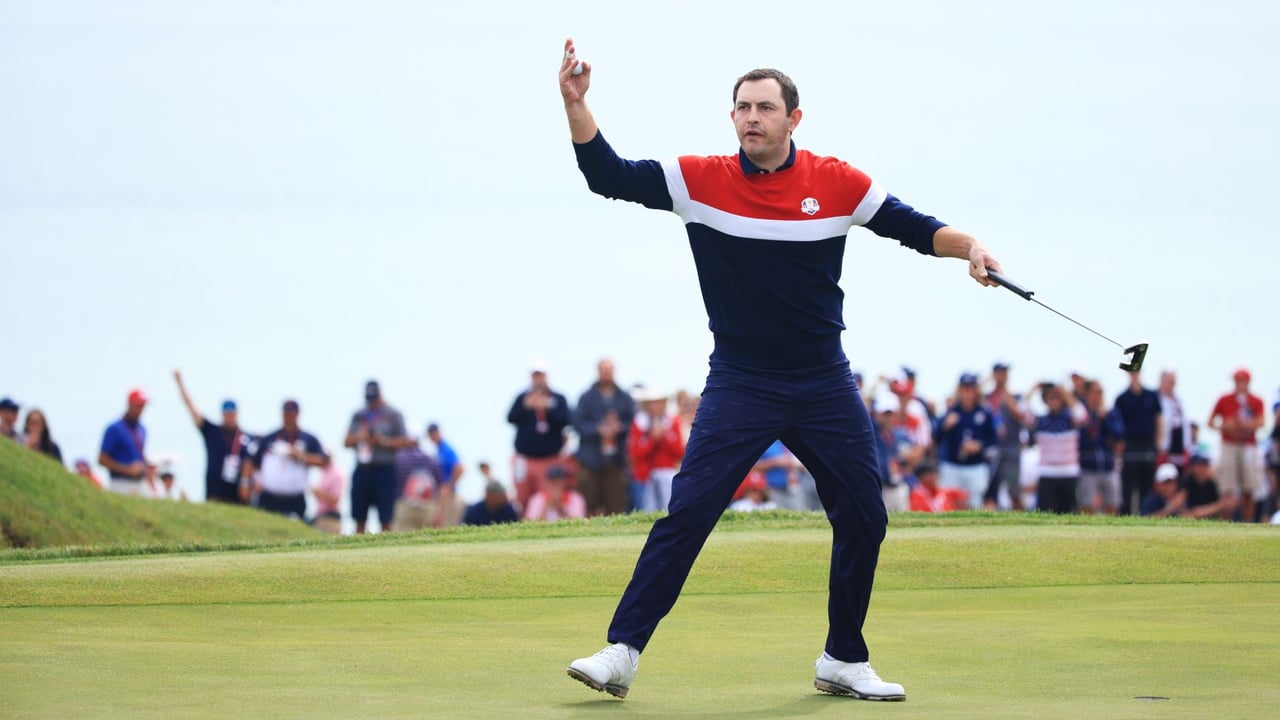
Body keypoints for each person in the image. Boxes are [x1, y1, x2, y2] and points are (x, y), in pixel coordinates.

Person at [559, 39, 1003, 702]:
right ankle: (622, 650)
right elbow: (608, 176)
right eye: (742, 107)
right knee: (690, 510)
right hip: (742, 379)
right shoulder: (697, 180)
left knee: (863, 514)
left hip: (824, 379)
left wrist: (969, 246)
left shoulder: (838, 182)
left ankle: (843, 659)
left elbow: (912, 227)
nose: (751, 117)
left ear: (795, 119)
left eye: (765, 107)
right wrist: (576, 103)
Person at [173, 369, 254, 505]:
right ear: (222, 414)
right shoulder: (212, 431)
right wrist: (180, 382)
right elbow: (192, 408)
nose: (229, 416)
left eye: (232, 413)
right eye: (226, 413)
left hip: (239, 497)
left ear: (237, 413)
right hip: (214, 494)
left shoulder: (247, 438)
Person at [344, 380, 413, 534]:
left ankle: (387, 554)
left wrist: (383, 441)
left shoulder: (394, 414)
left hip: (385, 470)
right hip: (363, 470)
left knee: (386, 518)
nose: (372, 402)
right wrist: (360, 437)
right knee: (359, 517)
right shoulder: (358, 415)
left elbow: (406, 441)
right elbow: (346, 441)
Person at [574, 359, 637, 516]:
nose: (606, 373)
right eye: (603, 370)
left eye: (609, 370)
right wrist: (597, 429)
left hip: (616, 460)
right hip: (591, 459)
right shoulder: (587, 397)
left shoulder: (624, 397)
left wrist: (619, 428)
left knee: (616, 505)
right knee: (588, 503)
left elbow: (633, 423)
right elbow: (578, 424)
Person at [244, 399, 328, 519]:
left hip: (295, 499)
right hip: (269, 497)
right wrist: (247, 483)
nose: (288, 417)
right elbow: (252, 461)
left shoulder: (309, 439)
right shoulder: (270, 437)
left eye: (291, 414)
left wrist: (301, 456)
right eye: (286, 413)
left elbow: (323, 460)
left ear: (297, 414)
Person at [507, 364, 572, 508]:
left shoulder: (558, 398)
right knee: (522, 497)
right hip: (525, 459)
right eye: (535, 376)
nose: (538, 379)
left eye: (540, 375)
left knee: (546, 497)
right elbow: (510, 418)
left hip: (549, 458)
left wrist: (548, 409)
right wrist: (526, 406)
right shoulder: (522, 398)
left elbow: (567, 420)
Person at [1207, 368, 1265, 522]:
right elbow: (1211, 422)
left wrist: (1245, 425)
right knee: (1227, 489)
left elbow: (1261, 422)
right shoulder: (1224, 399)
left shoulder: (1256, 401)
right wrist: (1226, 426)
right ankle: (1227, 524)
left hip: (1248, 446)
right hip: (1229, 445)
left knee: (1249, 489)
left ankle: (1248, 524)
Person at [936, 373, 997, 510]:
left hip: (976, 466)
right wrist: (945, 425)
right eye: (964, 389)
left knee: (974, 503)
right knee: (949, 504)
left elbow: (993, 440)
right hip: (953, 465)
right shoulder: (952, 411)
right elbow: (936, 437)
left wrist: (979, 446)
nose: (967, 393)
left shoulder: (984, 413)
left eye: (970, 389)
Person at [1113, 370, 1163, 515]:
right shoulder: (1122, 398)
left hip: (1148, 445)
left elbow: (1159, 420)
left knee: (1146, 485)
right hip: (1130, 445)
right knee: (1127, 486)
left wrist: (1157, 443)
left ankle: (1145, 515)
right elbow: (1116, 423)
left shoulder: (1151, 396)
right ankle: (1126, 516)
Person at [627, 386, 685, 513]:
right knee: (647, 510)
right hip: (644, 475)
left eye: (660, 402)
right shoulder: (639, 422)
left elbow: (679, 451)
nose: (657, 406)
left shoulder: (672, 421)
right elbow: (635, 452)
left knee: (669, 509)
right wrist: (652, 439)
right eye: (653, 403)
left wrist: (664, 437)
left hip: (667, 473)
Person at [1031, 383, 1085, 514]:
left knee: (1070, 514)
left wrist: (1065, 393)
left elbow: (1082, 415)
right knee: (1046, 514)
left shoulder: (1070, 420)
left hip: (1069, 474)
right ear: (1045, 400)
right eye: (1051, 397)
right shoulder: (1040, 421)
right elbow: (1021, 412)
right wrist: (1034, 388)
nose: (1054, 401)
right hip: (1047, 474)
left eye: (1057, 397)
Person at [983, 361, 1029, 510]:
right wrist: (988, 381)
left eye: (1004, 373)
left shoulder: (1016, 396)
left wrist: (1005, 397)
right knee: (990, 490)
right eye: (998, 373)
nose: (1001, 376)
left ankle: (1022, 523)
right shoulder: (987, 397)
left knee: (1013, 489)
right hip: (992, 450)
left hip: (1011, 451)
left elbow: (1022, 416)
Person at [1076, 380, 1125, 515]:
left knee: (1113, 504)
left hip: (1108, 466)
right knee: (1087, 506)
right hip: (1088, 468)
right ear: (1087, 394)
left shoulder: (1111, 413)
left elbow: (1119, 434)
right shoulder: (1082, 414)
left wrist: (1105, 418)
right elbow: (1084, 440)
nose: (1098, 396)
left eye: (1100, 392)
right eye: (1095, 392)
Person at [98, 389, 157, 496]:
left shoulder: (141, 429)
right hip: (120, 482)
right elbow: (102, 459)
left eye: (143, 406)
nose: (141, 409)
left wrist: (147, 466)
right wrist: (126, 469)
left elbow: (140, 454)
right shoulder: (115, 428)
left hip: (140, 482)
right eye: (139, 405)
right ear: (130, 404)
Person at [426, 422, 465, 525]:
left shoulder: (446, 449)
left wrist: (449, 485)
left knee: (446, 523)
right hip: (441, 493)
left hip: (448, 494)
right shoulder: (439, 450)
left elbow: (459, 468)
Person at [1156, 369, 1191, 476]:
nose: (1172, 385)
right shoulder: (1155, 399)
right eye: (1169, 382)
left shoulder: (1179, 400)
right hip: (1163, 450)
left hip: (1179, 448)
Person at [523, 465, 588, 521]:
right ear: (546, 482)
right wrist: (547, 506)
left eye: (557, 481)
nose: (554, 485)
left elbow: (579, 524)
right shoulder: (536, 499)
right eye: (551, 481)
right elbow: (530, 524)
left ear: (564, 482)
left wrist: (561, 508)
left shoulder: (576, 498)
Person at [311, 454, 345, 534]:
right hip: (320, 517)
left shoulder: (336, 474)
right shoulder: (324, 472)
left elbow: (335, 500)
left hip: (330, 519)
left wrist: (318, 493)